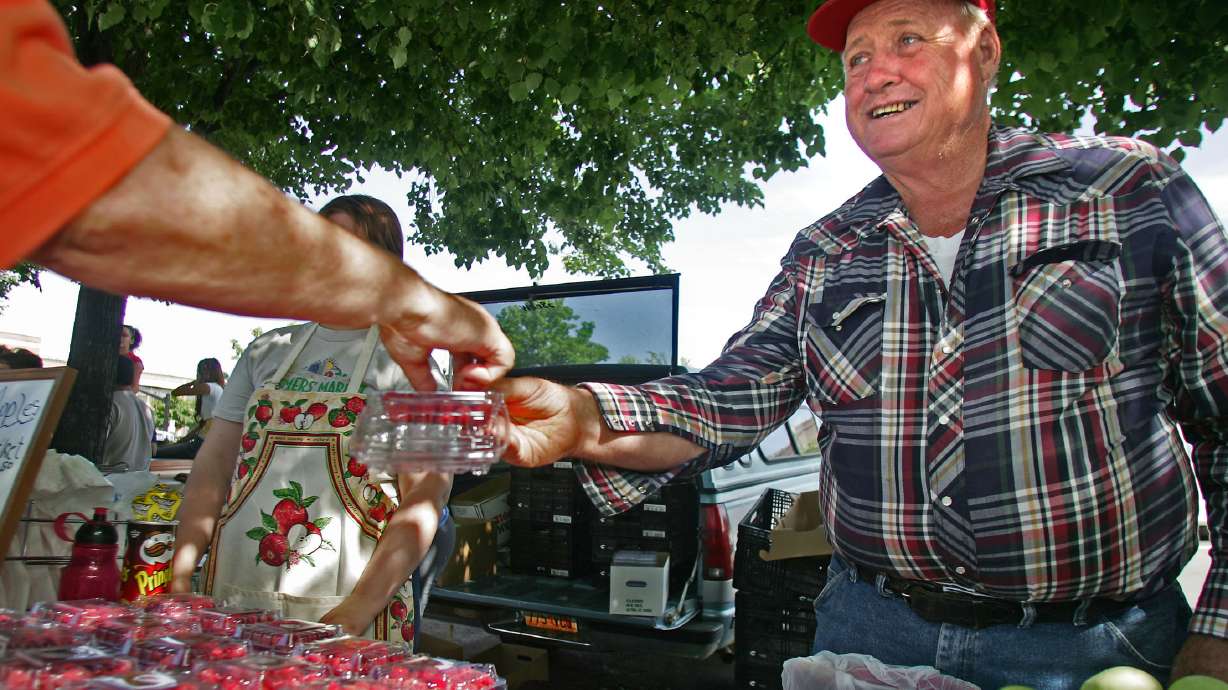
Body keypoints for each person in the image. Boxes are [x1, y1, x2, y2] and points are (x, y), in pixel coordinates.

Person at [491, 0, 1228, 686]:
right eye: (854, 59)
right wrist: (582, 418)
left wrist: (1221, 630)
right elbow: (729, 397)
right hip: (870, 630)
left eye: (907, 39)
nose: (874, 72)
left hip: (1096, 648)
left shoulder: (1128, 191)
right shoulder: (827, 249)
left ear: (986, 46)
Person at [1, 0, 513, 394]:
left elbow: (96, 182)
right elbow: (110, 185)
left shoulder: (400, 366)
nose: (339, 266)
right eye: (331, 240)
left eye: (353, 249)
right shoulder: (268, 351)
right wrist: (415, 302)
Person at [171, 196, 451, 645]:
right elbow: (214, 467)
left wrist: (357, 609)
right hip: (235, 594)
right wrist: (182, 576)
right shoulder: (266, 352)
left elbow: (426, 495)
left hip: (352, 608)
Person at [156, 358, 228, 459]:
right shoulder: (218, 389)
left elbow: (176, 392)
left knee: (156, 453)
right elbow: (201, 428)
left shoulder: (208, 387)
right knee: (165, 451)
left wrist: (193, 383)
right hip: (207, 444)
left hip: (202, 444)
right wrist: (180, 442)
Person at [100, 356, 156, 473]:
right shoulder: (147, 409)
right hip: (141, 481)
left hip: (112, 480)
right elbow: (153, 449)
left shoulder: (110, 405)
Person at [119, 325, 144, 391]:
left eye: (124, 335)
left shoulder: (136, 361)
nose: (120, 338)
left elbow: (135, 388)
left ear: (132, 340)